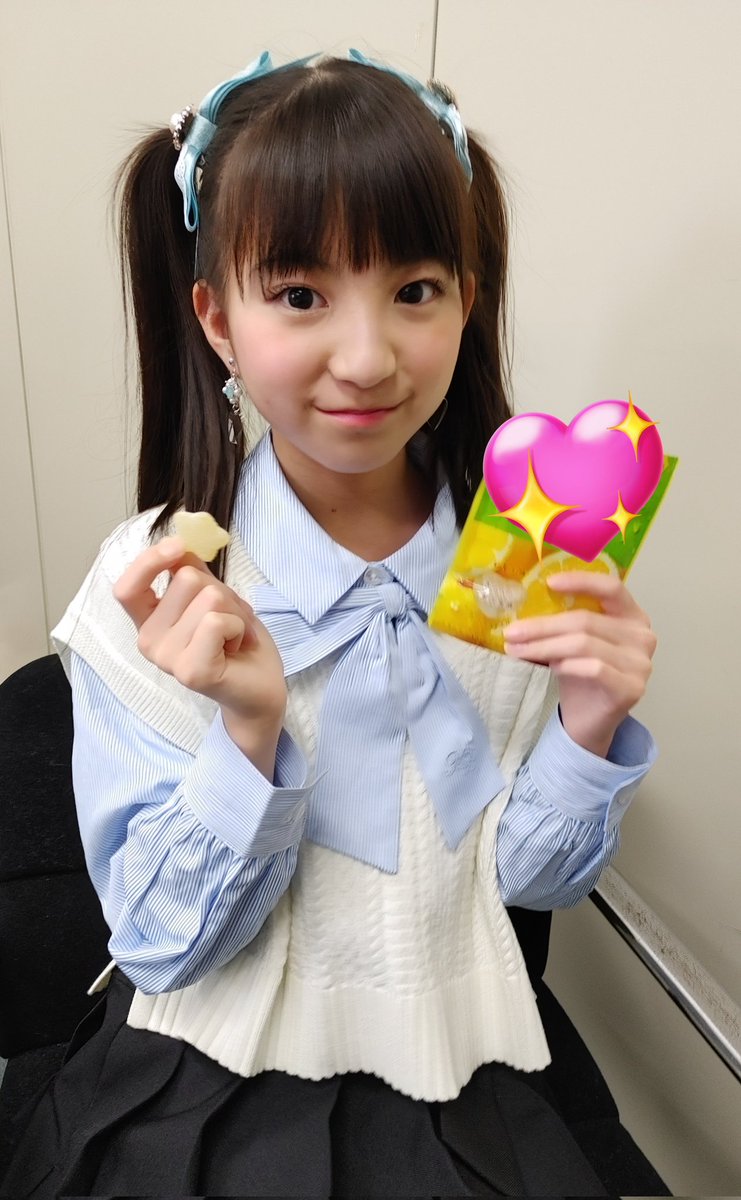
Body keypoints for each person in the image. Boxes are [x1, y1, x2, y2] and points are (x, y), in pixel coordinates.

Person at [3, 50, 660, 1197]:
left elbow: (513, 882)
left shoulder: (519, 556)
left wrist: (589, 727)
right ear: (217, 319)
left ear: (467, 298)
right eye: (301, 295)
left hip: (455, 1065)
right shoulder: (158, 577)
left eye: (415, 290)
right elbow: (157, 941)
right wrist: (249, 739)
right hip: (199, 1086)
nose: (366, 358)